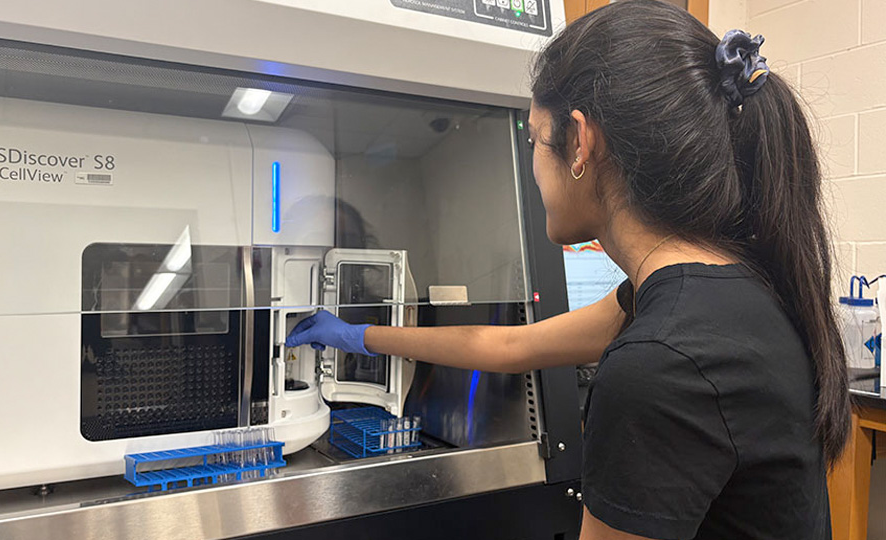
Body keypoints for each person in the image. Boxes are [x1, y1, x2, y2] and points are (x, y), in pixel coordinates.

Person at [287, 1, 849, 538]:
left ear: (579, 142)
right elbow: (510, 346)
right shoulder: (719, 291)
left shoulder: (659, 364)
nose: (532, 163)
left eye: (533, 139)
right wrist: (359, 335)